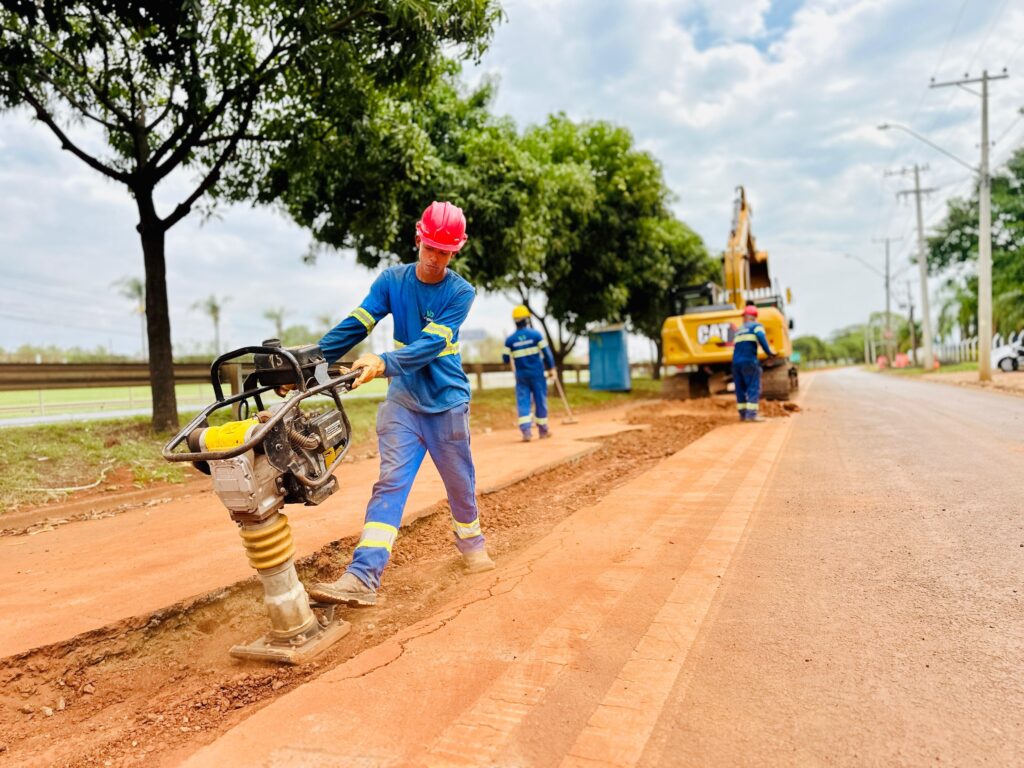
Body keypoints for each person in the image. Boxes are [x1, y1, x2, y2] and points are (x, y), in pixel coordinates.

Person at [307, 201, 495, 607]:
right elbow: (358, 323)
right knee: (390, 483)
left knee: (460, 484)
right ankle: (362, 576)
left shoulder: (460, 292)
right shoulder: (392, 281)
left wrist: (383, 362)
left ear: (455, 251)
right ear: (418, 238)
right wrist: (310, 364)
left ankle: (472, 542)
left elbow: (430, 344)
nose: (435, 258)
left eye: (445, 252)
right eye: (430, 248)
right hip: (403, 405)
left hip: (447, 404)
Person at [502, 305, 556, 441]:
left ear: (515, 321)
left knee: (523, 401)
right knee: (540, 400)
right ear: (527, 319)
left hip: (521, 376)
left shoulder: (510, 340)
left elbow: (505, 359)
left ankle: (526, 432)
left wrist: (511, 351)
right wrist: (551, 369)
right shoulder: (536, 335)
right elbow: (547, 354)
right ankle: (543, 431)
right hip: (537, 374)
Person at [731, 304, 775, 422]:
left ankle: (742, 415)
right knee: (753, 387)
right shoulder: (756, 326)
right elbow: (761, 337)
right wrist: (769, 353)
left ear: (745, 317)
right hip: (749, 362)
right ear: (754, 317)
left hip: (735, 364)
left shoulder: (739, 330)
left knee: (740, 389)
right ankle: (751, 415)